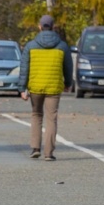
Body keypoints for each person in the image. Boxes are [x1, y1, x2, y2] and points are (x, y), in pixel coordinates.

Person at [18, 14, 73, 161]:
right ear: (53, 27)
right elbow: (68, 67)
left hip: (35, 87)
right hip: (54, 88)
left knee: (36, 115)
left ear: (39, 27)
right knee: (51, 118)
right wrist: (68, 83)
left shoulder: (30, 46)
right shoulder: (62, 46)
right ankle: (48, 153)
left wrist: (22, 89)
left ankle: (35, 148)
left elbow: (24, 69)